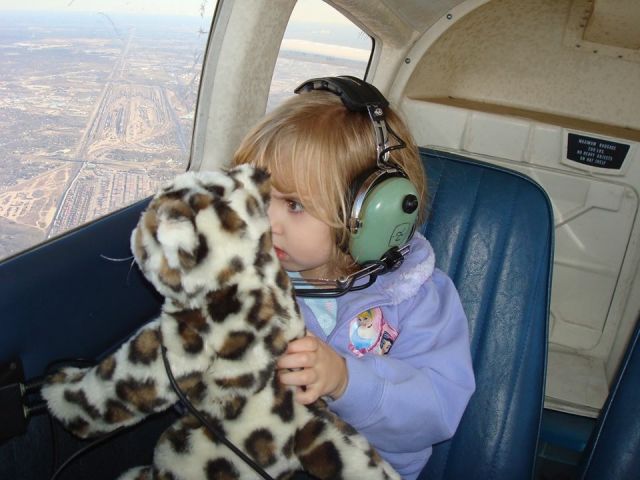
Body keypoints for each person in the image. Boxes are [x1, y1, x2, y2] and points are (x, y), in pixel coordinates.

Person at [232, 78, 475, 480]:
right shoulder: (252, 277)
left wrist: (347, 381)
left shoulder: (417, 300)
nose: (264, 220)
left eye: (293, 204)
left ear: (372, 215)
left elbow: (437, 410)